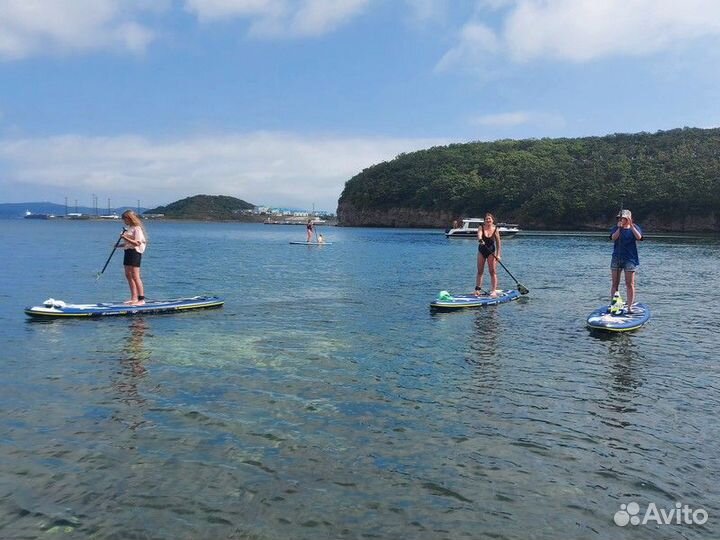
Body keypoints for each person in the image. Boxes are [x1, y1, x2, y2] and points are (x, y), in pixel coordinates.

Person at [610, 209, 643, 313]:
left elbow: (639, 237)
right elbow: (613, 238)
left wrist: (631, 226)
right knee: (615, 283)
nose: (621, 220)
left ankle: (629, 306)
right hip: (616, 258)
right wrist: (619, 229)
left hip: (630, 259)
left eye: (624, 218)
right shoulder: (616, 228)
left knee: (630, 284)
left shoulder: (635, 228)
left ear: (628, 218)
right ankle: (615, 305)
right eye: (620, 218)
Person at [119, 210, 147, 305]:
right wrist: (119, 245)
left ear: (130, 218)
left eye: (125, 219)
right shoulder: (129, 228)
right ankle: (134, 298)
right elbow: (128, 243)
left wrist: (124, 237)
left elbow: (137, 243)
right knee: (128, 274)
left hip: (135, 252)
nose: (124, 221)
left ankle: (141, 299)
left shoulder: (137, 228)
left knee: (135, 275)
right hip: (127, 251)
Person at [475, 212, 501, 297]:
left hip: (491, 252)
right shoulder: (481, 227)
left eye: (490, 219)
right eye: (487, 219)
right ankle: (477, 290)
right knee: (480, 271)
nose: (488, 220)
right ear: (484, 221)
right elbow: (479, 235)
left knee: (492, 271)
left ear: (492, 220)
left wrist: (498, 255)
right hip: (482, 250)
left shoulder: (495, 229)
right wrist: (480, 240)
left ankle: (493, 290)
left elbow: (498, 243)